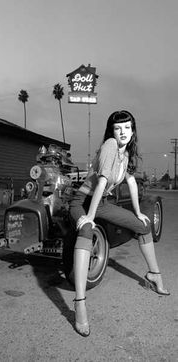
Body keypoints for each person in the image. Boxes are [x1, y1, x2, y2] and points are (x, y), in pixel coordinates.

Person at [69, 110, 170, 337]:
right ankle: (80, 302)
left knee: (143, 226)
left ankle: (154, 275)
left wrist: (137, 212)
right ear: (111, 131)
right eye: (117, 128)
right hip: (82, 201)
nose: (122, 132)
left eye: (127, 127)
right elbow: (102, 181)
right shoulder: (110, 146)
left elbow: (131, 182)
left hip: (101, 201)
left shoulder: (126, 154)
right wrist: (90, 217)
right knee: (86, 229)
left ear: (133, 131)